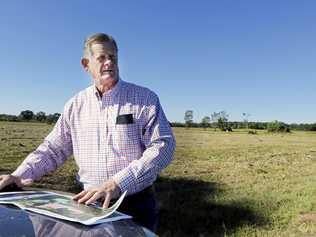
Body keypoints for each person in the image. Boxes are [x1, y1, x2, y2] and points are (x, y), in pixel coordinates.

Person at [0, 33, 176, 231]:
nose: (109, 62)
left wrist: (118, 183)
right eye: (101, 58)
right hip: (88, 204)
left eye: (113, 57)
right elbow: (53, 149)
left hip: (134, 202)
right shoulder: (75, 105)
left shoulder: (144, 98)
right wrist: (18, 175)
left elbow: (163, 146)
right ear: (86, 64)